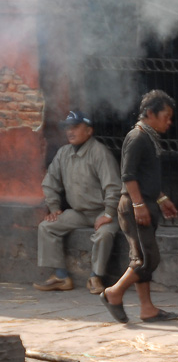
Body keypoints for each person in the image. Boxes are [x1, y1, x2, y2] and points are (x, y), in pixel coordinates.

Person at [100, 89, 178, 324]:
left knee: (142, 256)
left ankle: (147, 309)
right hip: (134, 204)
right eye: (165, 116)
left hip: (146, 201)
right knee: (147, 259)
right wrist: (138, 204)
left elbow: (147, 177)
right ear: (149, 113)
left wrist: (161, 199)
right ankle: (113, 293)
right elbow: (128, 176)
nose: (169, 122)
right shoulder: (137, 137)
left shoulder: (150, 137)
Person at [33, 110, 121, 294]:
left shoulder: (99, 152)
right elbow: (50, 182)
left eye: (75, 127)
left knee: (104, 234)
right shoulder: (63, 153)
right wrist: (55, 207)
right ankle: (61, 276)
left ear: (89, 131)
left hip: (103, 212)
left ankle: (95, 277)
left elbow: (113, 186)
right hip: (79, 213)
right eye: (67, 128)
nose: (70, 132)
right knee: (46, 227)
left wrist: (108, 214)